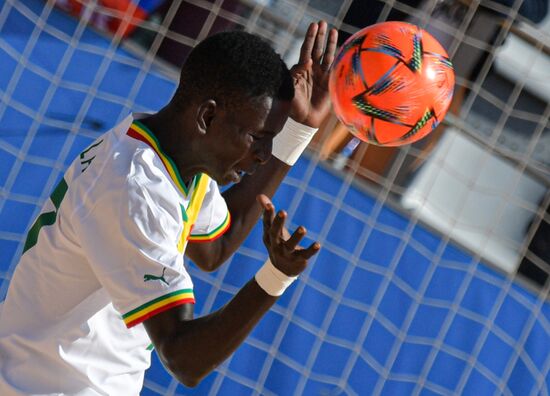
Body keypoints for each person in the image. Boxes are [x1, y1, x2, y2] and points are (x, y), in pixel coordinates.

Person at [0, 21, 338, 394]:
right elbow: (184, 359)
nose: (263, 156)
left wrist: (300, 130)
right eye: (258, 138)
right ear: (208, 117)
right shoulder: (133, 188)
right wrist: (277, 276)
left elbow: (215, 247)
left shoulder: (177, 155)